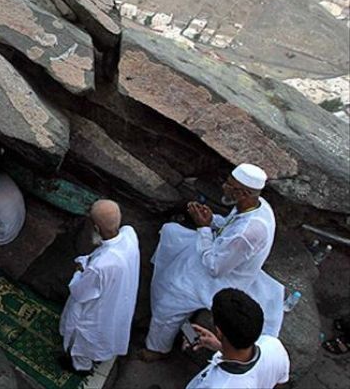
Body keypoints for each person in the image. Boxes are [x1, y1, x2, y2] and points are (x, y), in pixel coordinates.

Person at [141, 164, 284, 361]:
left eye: (229, 185)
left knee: (170, 297)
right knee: (171, 232)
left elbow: (215, 268)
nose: (223, 187)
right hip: (220, 253)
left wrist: (204, 227)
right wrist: (212, 220)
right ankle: (180, 320)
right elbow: (229, 227)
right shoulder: (256, 205)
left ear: (242, 193)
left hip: (222, 278)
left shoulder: (247, 234)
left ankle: (158, 348)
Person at [59, 200, 140, 373]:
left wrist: (79, 271)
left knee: (81, 344)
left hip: (95, 313)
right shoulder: (129, 234)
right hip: (120, 299)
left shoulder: (100, 267)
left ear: (96, 228)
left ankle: (80, 367)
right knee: (109, 333)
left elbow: (80, 292)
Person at [184, 288, 290, 388]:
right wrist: (220, 346)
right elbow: (280, 382)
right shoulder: (274, 345)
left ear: (219, 332)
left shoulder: (218, 385)